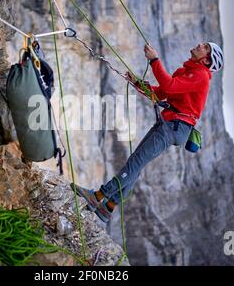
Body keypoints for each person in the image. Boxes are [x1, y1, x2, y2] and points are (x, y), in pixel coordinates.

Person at [71, 42, 224, 223]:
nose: (199, 45)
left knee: (136, 162)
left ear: (206, 60)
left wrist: (155, 61)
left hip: (175, 126)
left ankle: (97, 196)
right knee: (137, 162)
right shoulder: (187, 72)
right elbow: (160, 94)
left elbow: (169, 87)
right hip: (171, 125)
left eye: (205, 47)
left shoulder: (201, 76)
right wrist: (138, 83)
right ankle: (108, 207)